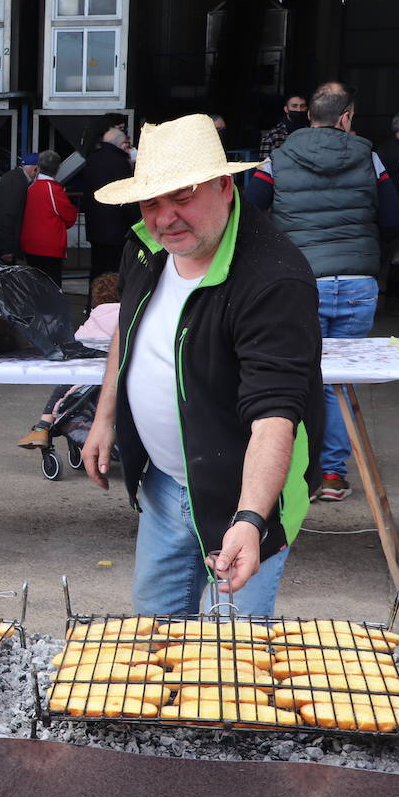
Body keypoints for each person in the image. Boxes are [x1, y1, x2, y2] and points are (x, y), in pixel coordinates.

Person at [84, 113, 324, 617]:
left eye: (183, 196)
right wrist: (104, 418)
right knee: (155, 627)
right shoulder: (145, 247)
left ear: (224, 185)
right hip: (165, 482)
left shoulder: (273, 277)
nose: (165, 217)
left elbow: (275, 412)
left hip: (244, 494)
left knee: (228, 656)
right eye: (151, 201)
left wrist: (250, 518)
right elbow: (125, 339)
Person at [244, 82, 399, 502]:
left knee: (292, 375)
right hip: (356, 281)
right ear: (347, 116)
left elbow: (248, 208)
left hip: (299, 280)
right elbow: (392, 218)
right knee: (340, 384)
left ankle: (290, 472)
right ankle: (332, 476)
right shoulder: (371, 157)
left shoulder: (277, 158)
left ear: (307, 114)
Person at [17, 272, 120, 449]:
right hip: (119, 376)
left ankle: (43, 427)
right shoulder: (131, 316)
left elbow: (77, 343)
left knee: (62, 390)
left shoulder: (94, 319)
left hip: (86, 377)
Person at [82, 126, 140, 309]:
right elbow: (128, 198)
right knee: (116, 272)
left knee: (97, 270)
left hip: (95, 228)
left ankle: (92, 306)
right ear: (122, 144)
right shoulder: (120, 163)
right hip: (117, 230)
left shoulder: (91, 160)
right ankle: (112, 309)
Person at [19, 150, 77, 287]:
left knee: (35, 284)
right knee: (52, 285)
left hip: (30, 244)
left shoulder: (31, 187)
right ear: (57, 168)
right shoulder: (53, 189)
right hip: (50, 245)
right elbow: (70, 216)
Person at [258, 93, 309, 159]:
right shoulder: (273, 135)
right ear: (286, 109)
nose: (299, 109)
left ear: (306, 109)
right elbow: (264, 165)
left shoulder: (311, 133)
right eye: (294, 106)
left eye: (302, 106)